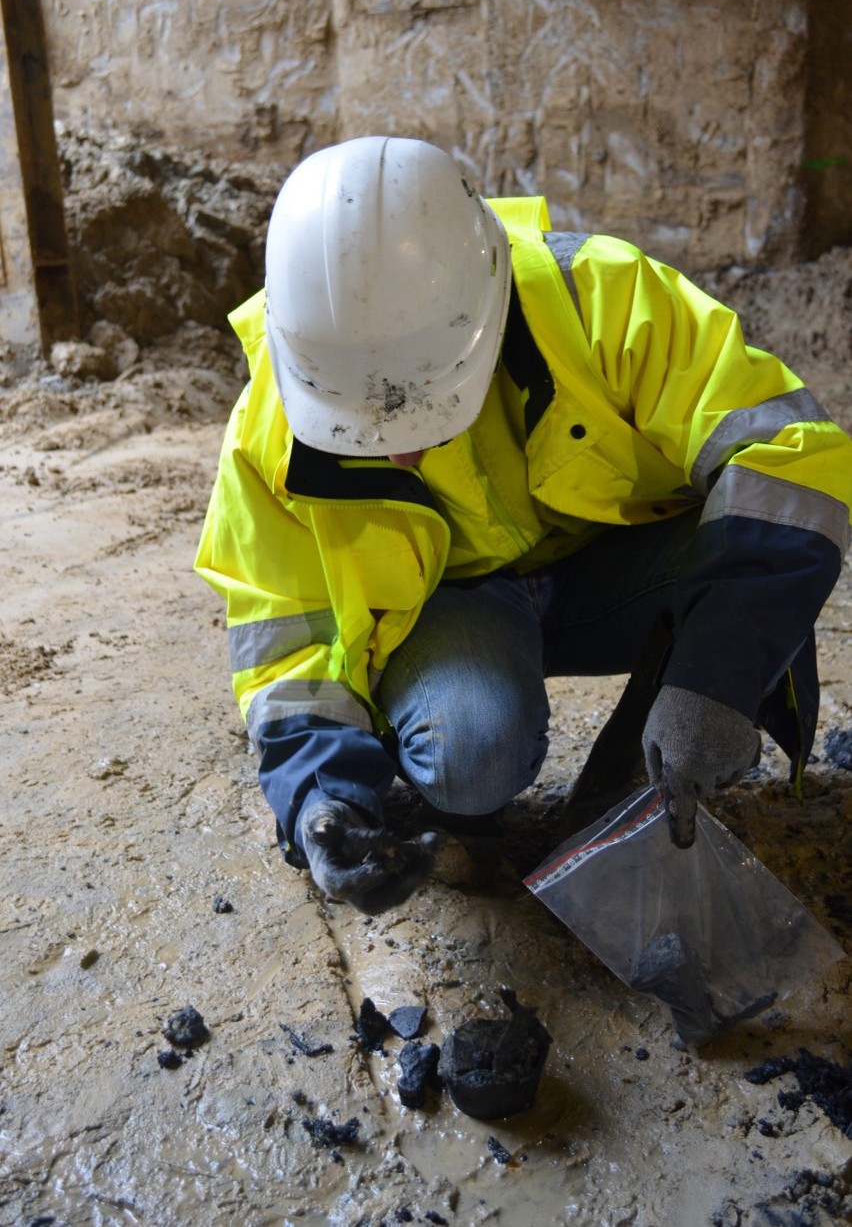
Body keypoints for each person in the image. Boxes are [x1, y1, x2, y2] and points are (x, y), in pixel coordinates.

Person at [195, 135, 852, 913]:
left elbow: (787, 457)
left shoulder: (599, 296)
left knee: (754, 554)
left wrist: (718, 679)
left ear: (486, 310)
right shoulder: (267, 435)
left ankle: (642, 782)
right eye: (360, 423)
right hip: (460, 607)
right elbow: (287, 648)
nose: (397, 451)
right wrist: (318, 803)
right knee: (470, 748)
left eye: (422, 406)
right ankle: (467, 815)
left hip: (623, 570)